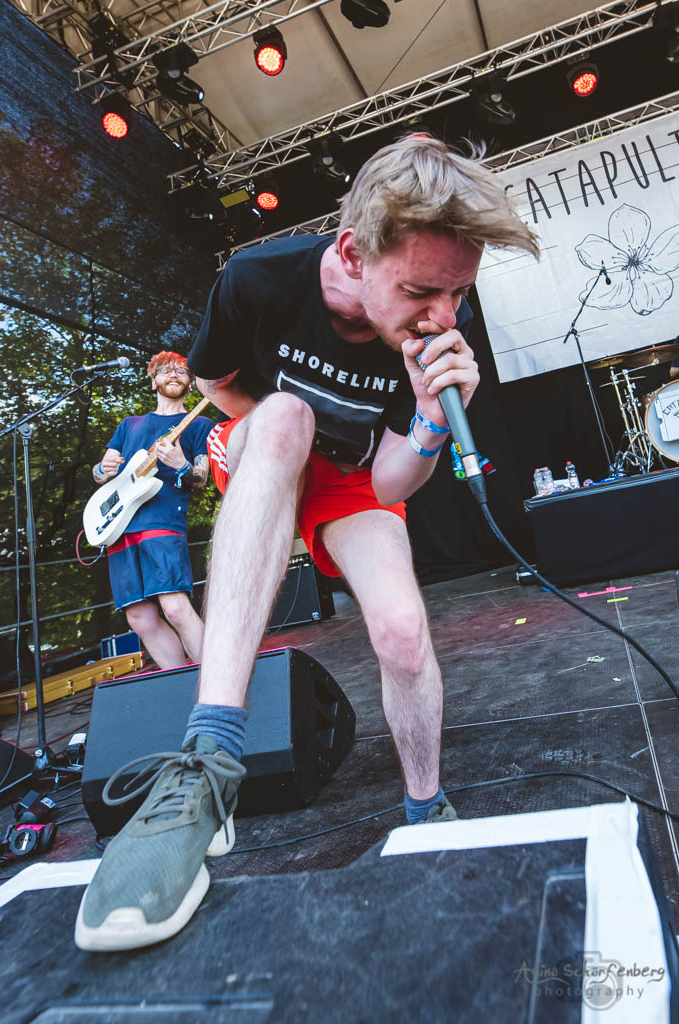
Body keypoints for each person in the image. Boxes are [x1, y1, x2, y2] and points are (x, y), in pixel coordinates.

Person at [75, 135, 539, 952]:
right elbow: (216, 382)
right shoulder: (259, 278)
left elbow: (391, 483)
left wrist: (433, 420)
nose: (443, 316)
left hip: (355, 479)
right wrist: (265, 438)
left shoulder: (435, 330)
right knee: (286, 415)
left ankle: (426, 803)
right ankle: (208, 764)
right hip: (263, 447)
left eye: (459, 292)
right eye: (422, 291)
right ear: (354, 253)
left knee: (402, 632)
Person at [92, 351, 213, 670]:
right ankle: (180, 681)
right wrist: (102, 469)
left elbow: (201, 478)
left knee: (175, 608)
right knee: (139, 618)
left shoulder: (200, 424)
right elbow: (101, 474)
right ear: (153, 381)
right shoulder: (128, 425)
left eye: (182, 371)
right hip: (119, 526)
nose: (174, 375)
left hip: (162, 521)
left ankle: (217, 681)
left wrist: (181, 464)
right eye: (165, 371)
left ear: (190, 384)